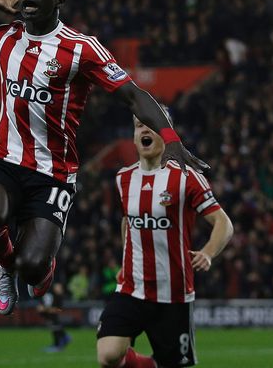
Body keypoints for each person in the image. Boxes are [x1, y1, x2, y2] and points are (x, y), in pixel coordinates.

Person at [0, 0, 208, 315]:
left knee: (32, 265)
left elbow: (133, 95)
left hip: (54, 171)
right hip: (2, 157)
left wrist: (172, 141)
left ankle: (37, 266)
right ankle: (5, 266)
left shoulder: (81, 48)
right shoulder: (3, 37)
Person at [95, 111, 234, 367]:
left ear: (167, 134)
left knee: (173, 363)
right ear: (134, 136)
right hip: (132, 288)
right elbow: (128, 220)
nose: (145, 131)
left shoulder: (186, 177)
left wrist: (207, 252)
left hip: (174, 293)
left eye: (152, 126)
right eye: (139, 126)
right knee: (108, 354)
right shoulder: (123, 178)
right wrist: (127, 259)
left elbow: (223, 223)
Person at [37, 282, 71, 353]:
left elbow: (59, 309)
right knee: (53, 325)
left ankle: (58, 344)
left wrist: (47, 309)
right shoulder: (46, 291)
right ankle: (61, 340)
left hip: (54, 312)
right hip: (49, 312)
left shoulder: (55, 292)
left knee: (55, 325)